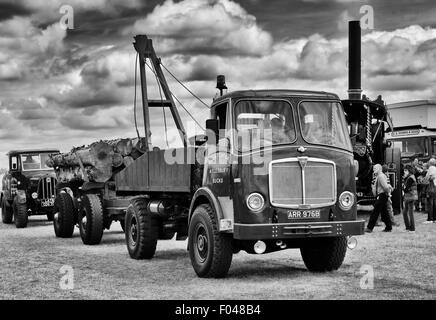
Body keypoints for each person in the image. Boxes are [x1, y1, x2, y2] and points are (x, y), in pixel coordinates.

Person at [365, 164, 393, 233]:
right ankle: (389, 227)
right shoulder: (380, 176)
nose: (373, 169)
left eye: (375, 168)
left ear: (380, 169)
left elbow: (385, 187)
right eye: (373, 168)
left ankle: (369, 228)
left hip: (382, 195)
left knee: (375, 212)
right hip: (382, 195)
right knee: (384, 212)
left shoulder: (380, 176)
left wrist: (388, 192)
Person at [402, 165, 418, 232]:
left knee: (409, 213)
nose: (404, 172)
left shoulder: (410, 178)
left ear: (409, 170)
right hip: (409, 197)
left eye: (405, 170)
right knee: (405, 212)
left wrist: (403, 187)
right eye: (404, 170)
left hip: (410, 197)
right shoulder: (410, 177)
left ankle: (412, 228)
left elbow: (406, 189)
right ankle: (408, 227)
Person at [424, 158, 436, 223]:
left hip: (431, 186)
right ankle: (434, 218)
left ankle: (430, 219)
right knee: (434, 202)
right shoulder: (435, 168)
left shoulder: (431, 168)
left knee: (430, 203)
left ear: (430, 163)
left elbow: (432, 177)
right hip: (435, 186)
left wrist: (427, 179)